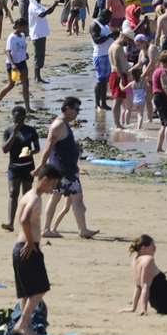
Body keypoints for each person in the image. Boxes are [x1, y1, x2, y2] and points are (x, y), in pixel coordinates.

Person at [12, 163, 62, 335]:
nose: (53, 188)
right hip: (27, 247)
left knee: (27, 291)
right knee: (40, 289)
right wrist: (31, 242)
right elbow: (24, 219)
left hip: (19, 247)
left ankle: (27, 327)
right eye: (53, 184)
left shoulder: (28, 195)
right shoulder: (34, 198)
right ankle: (23, 323)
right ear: (45, 180)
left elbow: (22, 219)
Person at [40, 97, 97, 239]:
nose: (77, 113)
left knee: (57, 198)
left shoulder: (63, 124)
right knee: (76, 199)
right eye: (76, 110)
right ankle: (81, 230)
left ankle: (48, 228)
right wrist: (41, 167)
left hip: (65, 169)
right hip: (64, 171)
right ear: (67, 108)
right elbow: (48, 147)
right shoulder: (58, 125)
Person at [1, 105, 40, 230]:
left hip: (28, 166)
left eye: (20, 118)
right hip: (14, 167)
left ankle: (26, 221)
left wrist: (29, 152)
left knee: (26, 194)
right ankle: (10, 223)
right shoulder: (8, 131)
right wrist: (14, 134)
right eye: (15, 117)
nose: (17, 120)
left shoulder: (31, 131)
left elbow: (37, 148)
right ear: (12, 117)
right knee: (13, 193)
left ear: (24, 118)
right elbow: (5, 149)